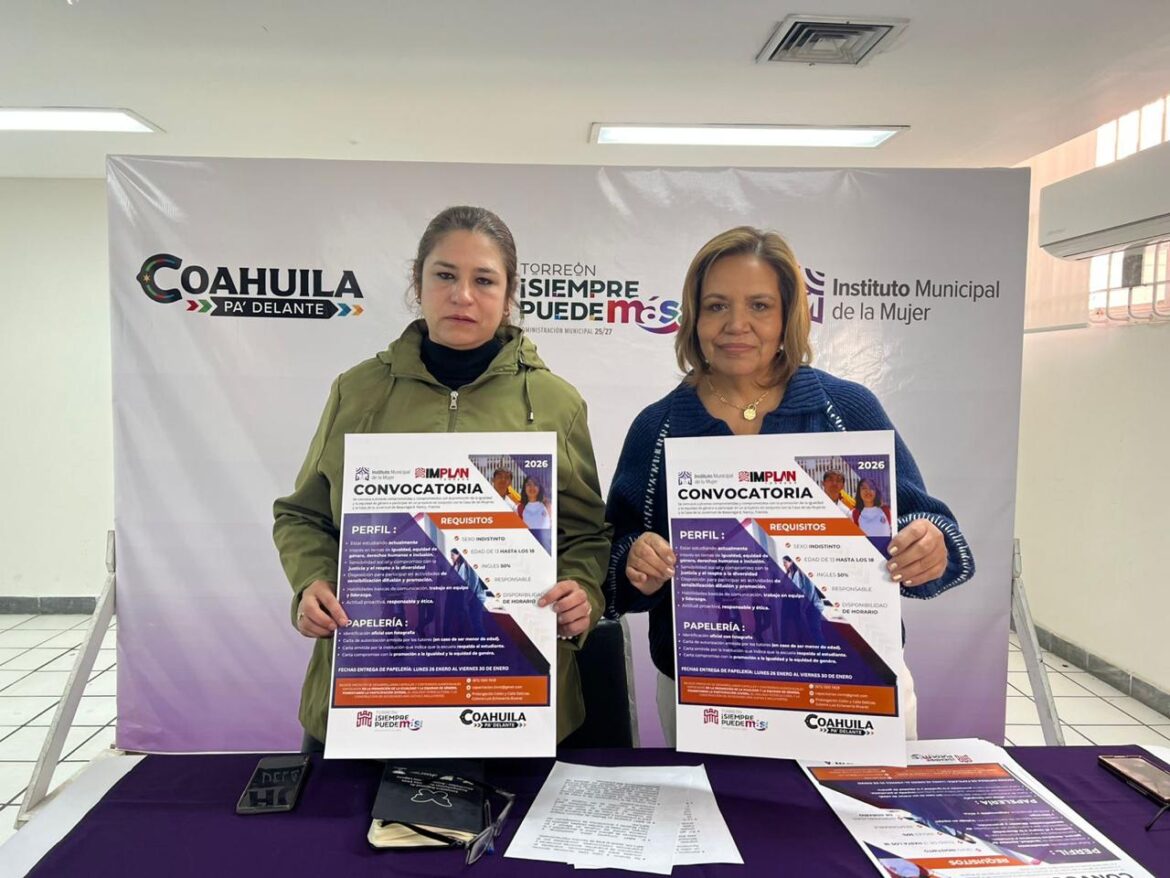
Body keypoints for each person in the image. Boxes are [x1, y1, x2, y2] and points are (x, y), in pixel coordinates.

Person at [605, 226, 975, 744]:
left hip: (850, 684)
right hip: (709, 693)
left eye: (759, 306)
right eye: (716, 306)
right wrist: (634, 562)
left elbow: (931, 528)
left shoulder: (843, 410)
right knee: (720, 801)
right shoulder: (659, 427)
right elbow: (611, 561)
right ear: (693, 318)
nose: (736, 324)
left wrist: (928, 547)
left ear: (787, 317)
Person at [273, 206, 610, 752]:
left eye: (484, 280)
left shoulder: (556, 402)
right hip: (370, 690)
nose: (463, 296)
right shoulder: (357, 391)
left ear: (509, 293)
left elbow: (587, 534)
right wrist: (313, 582)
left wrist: (582, 591)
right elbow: (301, 515)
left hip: (511, 696)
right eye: (445, 275)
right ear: (418, 282)